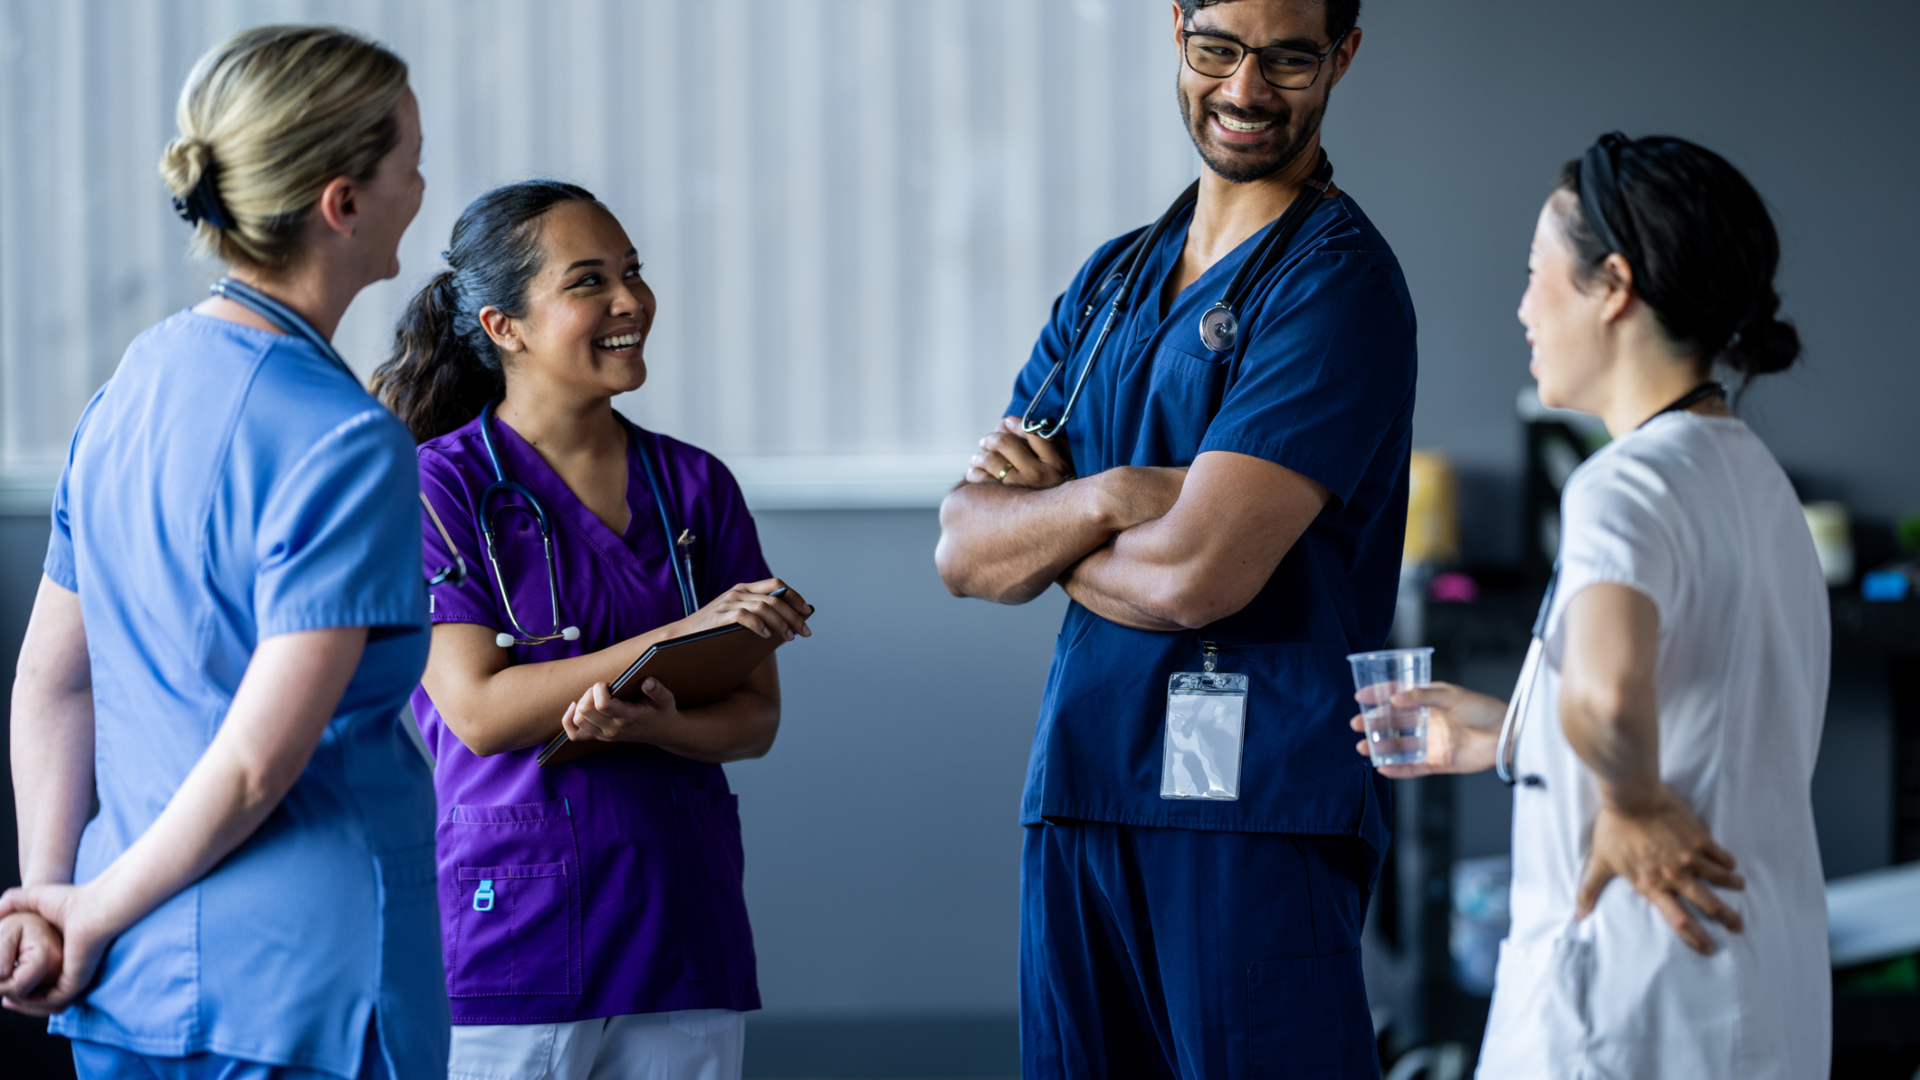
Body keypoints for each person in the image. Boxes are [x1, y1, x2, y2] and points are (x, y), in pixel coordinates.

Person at [936, 0, 1412, 1074]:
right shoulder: (1113, 282)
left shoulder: (1335, 286)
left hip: (1252, 807)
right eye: (1219, 50)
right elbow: (965, 549)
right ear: (1178, 32)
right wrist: (1113, 499)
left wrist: (1049, 533)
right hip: (1082, 787)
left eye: (1289, 59)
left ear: (1342, 56)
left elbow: (1202, 573)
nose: (1245, 91)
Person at [0, 25, 447, 1079]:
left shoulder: (125, 394)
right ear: (343, 202)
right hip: (307, 998)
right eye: (409, 164)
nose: (423, 186)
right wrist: (88, 908)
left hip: (126, 989)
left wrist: (54, 902)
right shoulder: (347, 441)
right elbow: (256, 765)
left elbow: (51, 685)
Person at [1354, 133, 1826, 1077]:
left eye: (1538, 274)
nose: (1523, 306)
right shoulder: (1755, 480)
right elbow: (1706, 714)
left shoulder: (1621, 486)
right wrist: (1516, 733)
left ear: (1612, 285)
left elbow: (1613, 700)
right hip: (1764, 991)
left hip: (1630, 1001)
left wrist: (1634, 800)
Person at [370, 180, 811, 1080]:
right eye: (589, 281)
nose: (630, 302)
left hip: (682, 925)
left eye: (633, 272)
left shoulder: (697, 487)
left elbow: (756, 718)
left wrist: (659, 724)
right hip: (518, 934)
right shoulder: (436, 489)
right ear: (505, 327)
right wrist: (678, 639)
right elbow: (480, 713)